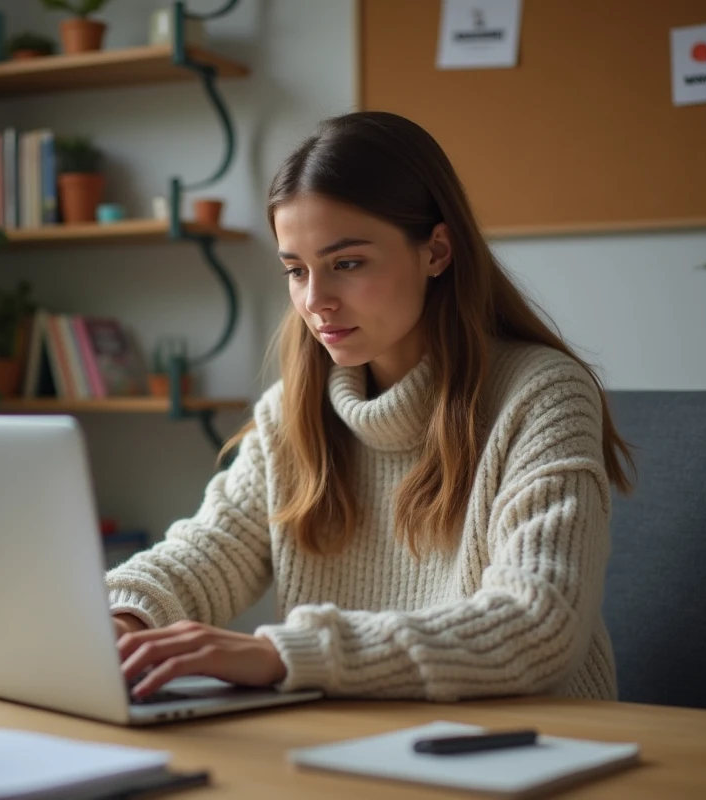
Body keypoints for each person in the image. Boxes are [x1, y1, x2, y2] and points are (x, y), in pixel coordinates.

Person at [107, 111, 633, 703]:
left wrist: (283, 653)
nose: (316, 301)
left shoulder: (543, 395)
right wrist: (122, 619)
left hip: (530, 747)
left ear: (436, 250)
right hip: (350, 743)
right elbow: (204, 553)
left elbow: (537, 626)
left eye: (347, 264)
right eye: (296, 270)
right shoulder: (293, 414)